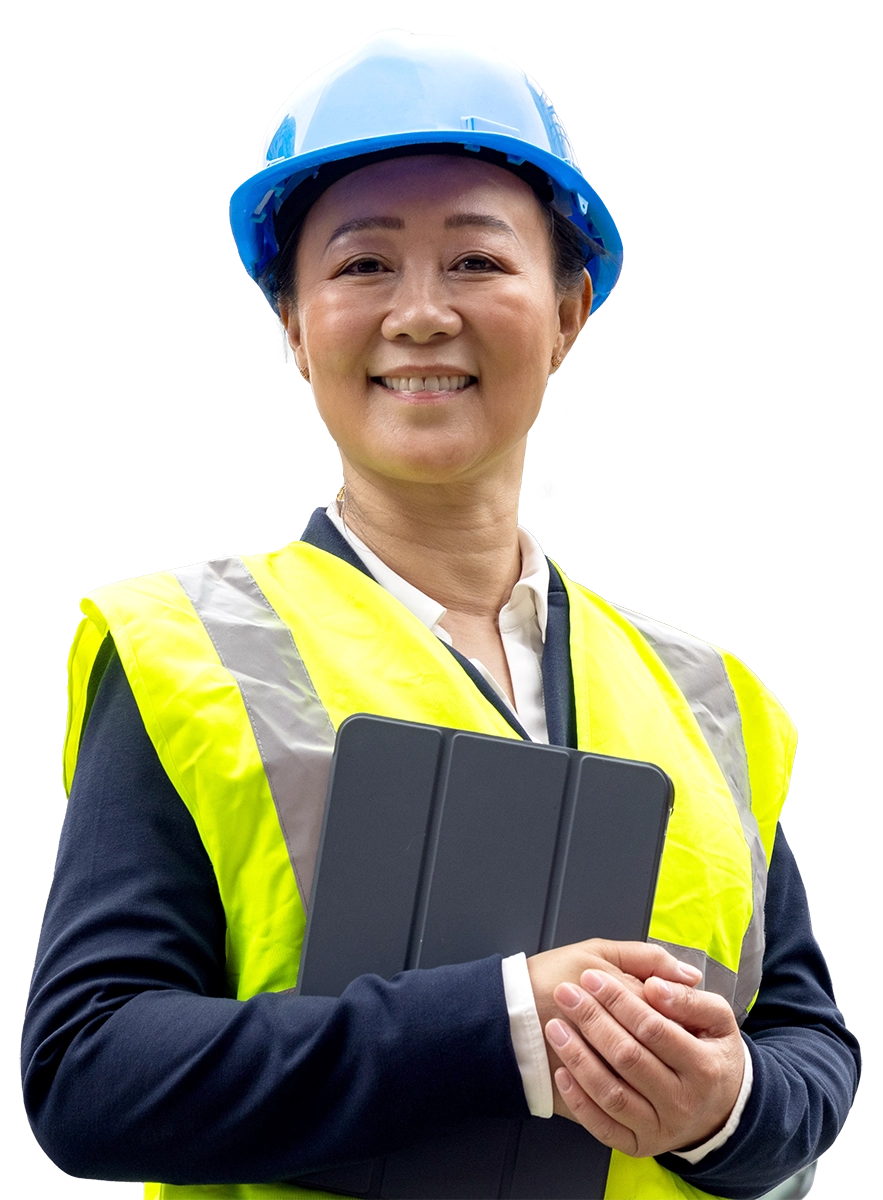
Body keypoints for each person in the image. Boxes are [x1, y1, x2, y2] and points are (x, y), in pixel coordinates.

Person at [21, 29, 860, 1200]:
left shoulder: (713, 705)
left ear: (567, 311)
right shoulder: (183, 653)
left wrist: (726, 1107)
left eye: (475, 260)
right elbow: (88, 1074)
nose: (420, 314)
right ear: (295, 325)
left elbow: (806, 1042)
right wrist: (500, 1026)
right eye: (364, 265)